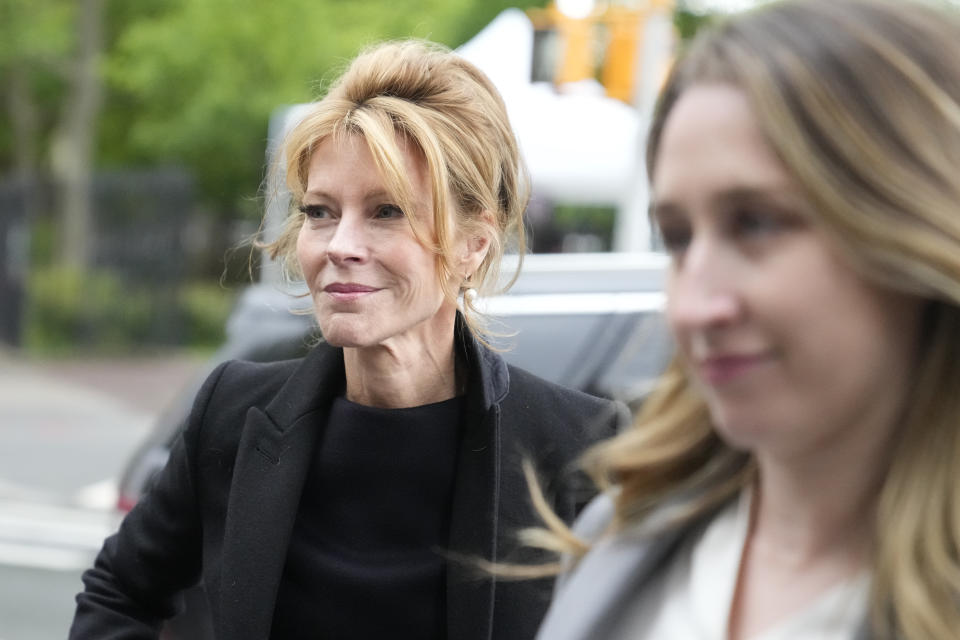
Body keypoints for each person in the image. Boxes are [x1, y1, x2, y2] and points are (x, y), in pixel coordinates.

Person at [70, 40, 623, 640]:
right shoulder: (233, 414)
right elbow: (118, 591)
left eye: (386, 212)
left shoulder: (579, 448)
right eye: (319, 211)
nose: (340, 245)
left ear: (474, 245)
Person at [534, 1, 960, 639]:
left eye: (755, 223)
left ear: (911, 224)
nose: (695, 306)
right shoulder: (617, 540)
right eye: (677, 238)